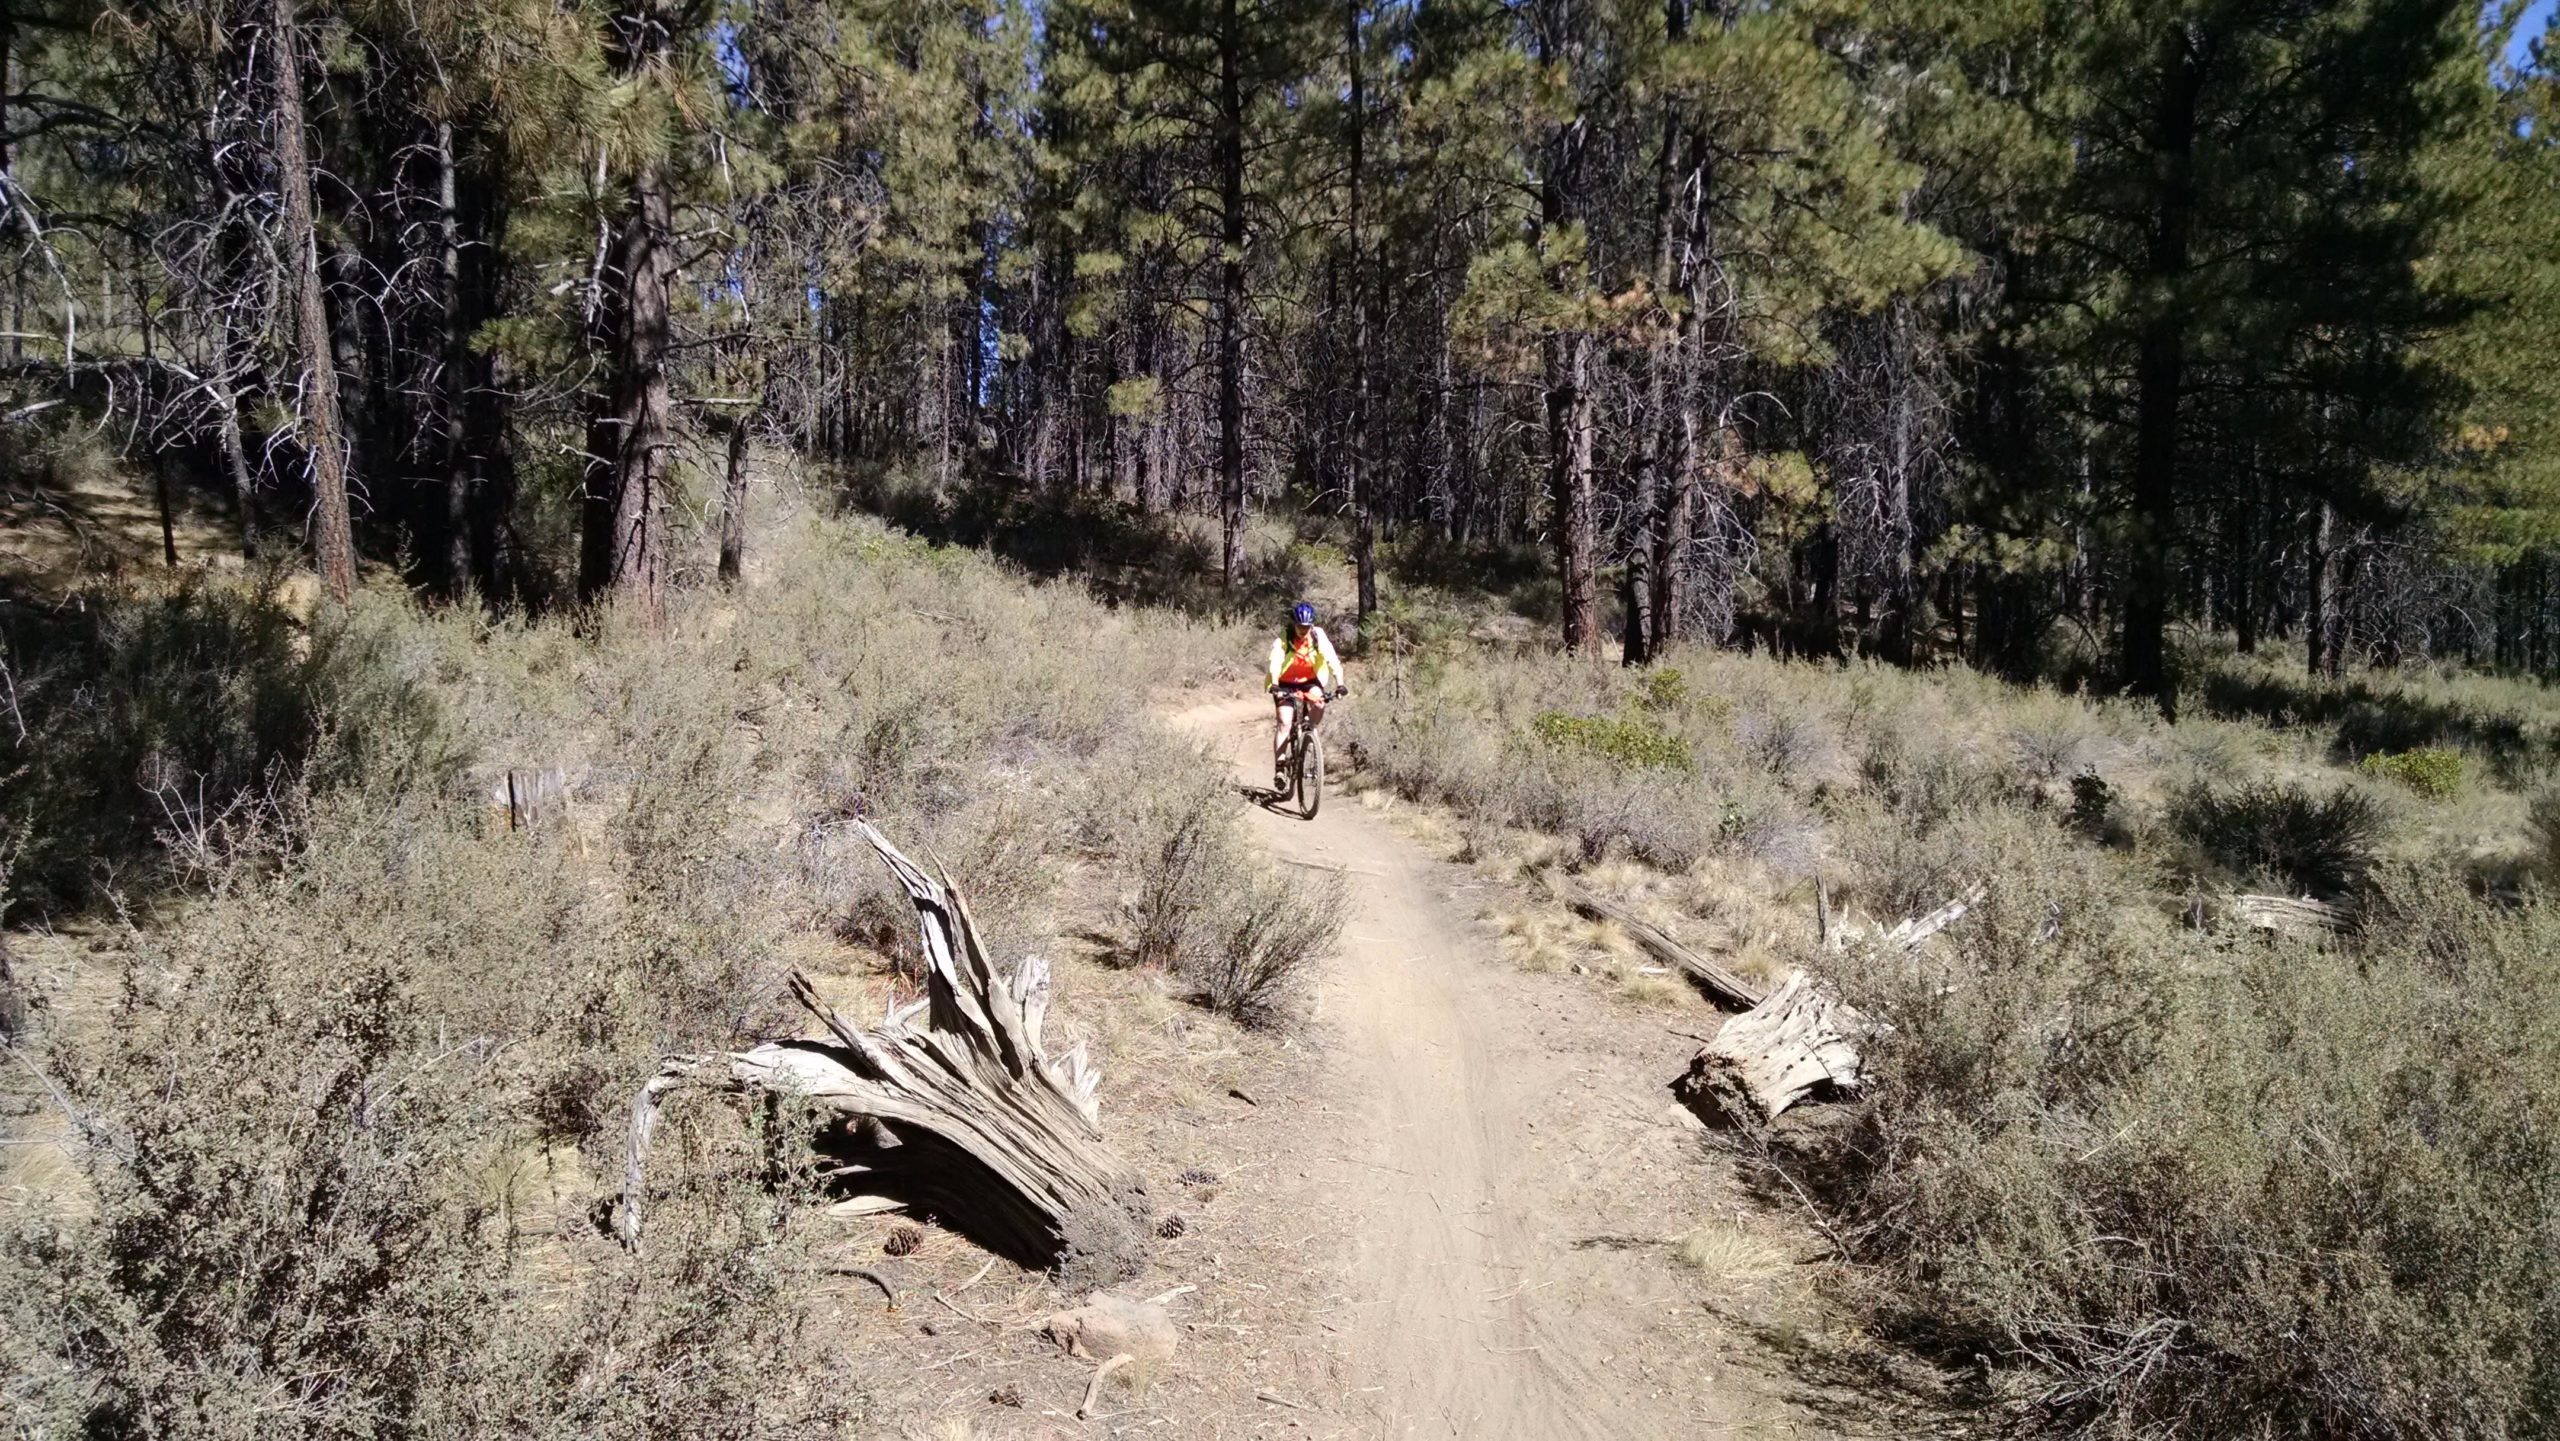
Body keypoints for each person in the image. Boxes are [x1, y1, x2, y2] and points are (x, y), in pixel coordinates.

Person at [1266, 601, 1346, 788]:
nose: (1303, 630)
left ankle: (1309, 732)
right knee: (1285, 723)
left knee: (1319, 702)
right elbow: (1275, 662)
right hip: (1284, 682)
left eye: (1307, 626)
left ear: (1312, 625)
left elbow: (1333, 659)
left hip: (1309, 680)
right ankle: (1280, 767)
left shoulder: (1318, 637)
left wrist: (1341, 684)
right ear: (1294, 623)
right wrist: (1275, 684)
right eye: (1300, 626)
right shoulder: (1284, 639)